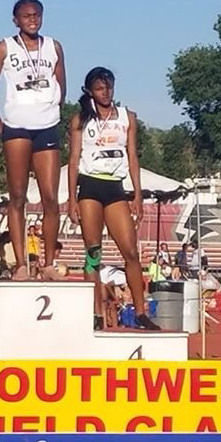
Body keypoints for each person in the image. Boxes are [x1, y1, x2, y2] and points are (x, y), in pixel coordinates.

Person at [67, 67, 159, 330]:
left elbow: (133, 157)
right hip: (89, 186)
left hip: (115, 188)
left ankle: (140, 312)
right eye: (99, 89)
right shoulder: (80, 120)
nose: (105, 93)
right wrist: (72, 199)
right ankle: (95, 313)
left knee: (130, 251)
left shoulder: (127, 117)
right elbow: (73, 160)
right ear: (89, 91)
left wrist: (138, 194)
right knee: (93, 253)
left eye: (108, 87)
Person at [0, 0, 66, 281]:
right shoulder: (5, 47)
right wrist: (0, 127)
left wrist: (51, 109)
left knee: (50, 198)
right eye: (26, 16)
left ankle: (49, 263)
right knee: (17, 197)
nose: (32, 19)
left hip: (47, 127)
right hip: (16, 128)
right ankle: (20, 264)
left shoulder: (54, 47)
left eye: (37, 15)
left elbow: (61, 86)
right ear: (15, 20)